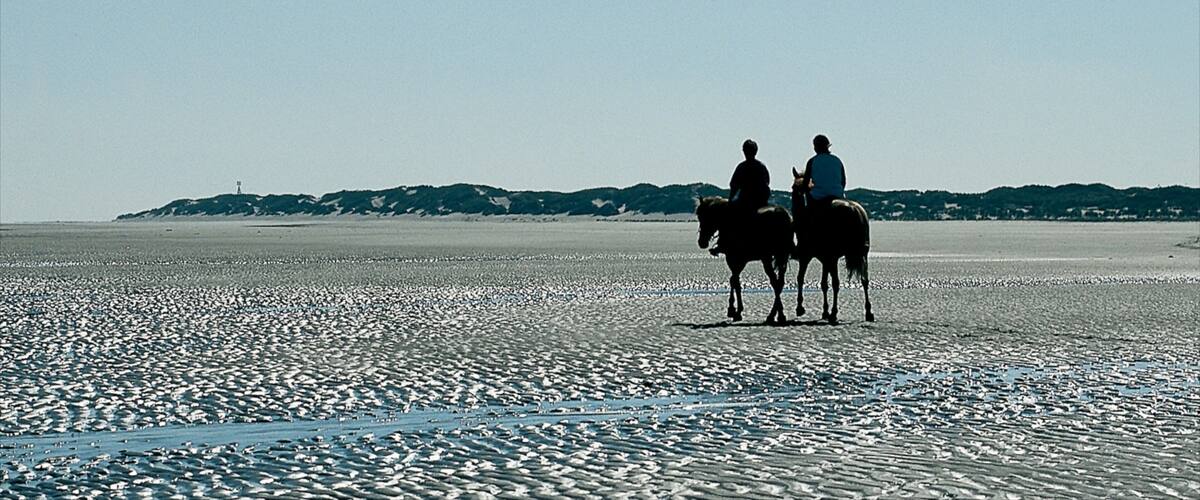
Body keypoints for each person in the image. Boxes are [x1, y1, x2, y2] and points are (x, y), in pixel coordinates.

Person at [712, 139, 771, 255]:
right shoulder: (761, 166)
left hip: (746, 201)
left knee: (727, 218)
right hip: (762, 200)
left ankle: (722, 244)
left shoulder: (742, 167)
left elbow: (733, 185)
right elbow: (767, 182)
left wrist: (730, 200)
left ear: (744, 151)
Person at [798, 134, 845, 227]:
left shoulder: (812, 161)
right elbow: (843, 181)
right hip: (838, 195)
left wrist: (803, 190)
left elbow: (806, 184)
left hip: (818, 197)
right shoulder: (837, 160)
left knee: (805, 219)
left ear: (815, 147)